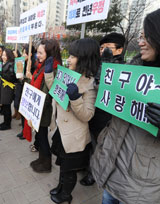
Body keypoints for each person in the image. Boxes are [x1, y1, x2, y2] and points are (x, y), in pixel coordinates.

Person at [91, 4, 160, 204]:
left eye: (147, 37)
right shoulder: (131, 69)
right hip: (112, 169)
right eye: (140, 36)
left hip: (142, 187)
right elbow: (110, 101)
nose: (141, 42)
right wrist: (105, 77)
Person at [45, 38, 100, 204]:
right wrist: (49, 73)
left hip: (74, 137)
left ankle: (65, 195)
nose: (68, 59)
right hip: (62, 131)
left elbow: (87, 115)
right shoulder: (68, 74)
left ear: (84, 58)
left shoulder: (90, 83)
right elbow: (55, 89)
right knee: (62, 165)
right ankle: (60, 188)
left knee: (69, 170)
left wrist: (75, 98)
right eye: (69, 55)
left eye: (73, 56)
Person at [80, 33, 126, 186]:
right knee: (91, 141)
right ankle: (87, 166)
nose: (103, 51)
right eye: (101, 48)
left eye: (108, 47)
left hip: (107, 117)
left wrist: (108, 69)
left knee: (100, 146)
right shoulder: (97, 64)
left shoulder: (126, 71)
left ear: (119, 50)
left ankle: (94, 173)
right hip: (93, 111)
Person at [24, 39, 62, 173]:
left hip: (44, 109)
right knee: (40, 136)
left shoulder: (53, 69)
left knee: (42, 137)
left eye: (40, 53)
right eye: (37, 53)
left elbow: (48, 92)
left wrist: (37, 108)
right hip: (38, 108)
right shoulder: (41, 66)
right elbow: (36, 85)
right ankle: (41, 159)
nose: (37, 55)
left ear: (50, 53)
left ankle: (46, 164)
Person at [16, 44, 36, 141]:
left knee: (26, 113)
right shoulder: (23, 63)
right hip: (21, 89)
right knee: (22, 111)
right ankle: (23, 130)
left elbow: (32, 80)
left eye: (25, 53)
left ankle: (26, 132)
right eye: (23, 53)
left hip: (28, 92)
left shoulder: (33, 65)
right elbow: (19, 77)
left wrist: (27, 75)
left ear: (30, 54)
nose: (23, 55)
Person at [0, 48, 16, 130]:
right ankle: (5, 121)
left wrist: (2, 75)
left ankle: (8, 124)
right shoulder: (3, 63)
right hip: (3, 87)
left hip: (8, 88)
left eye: (5, 55)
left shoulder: (11, 64)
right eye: (3, 55)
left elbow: (12, 78)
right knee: (4, 106)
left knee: (7, 106)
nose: (3, 56)